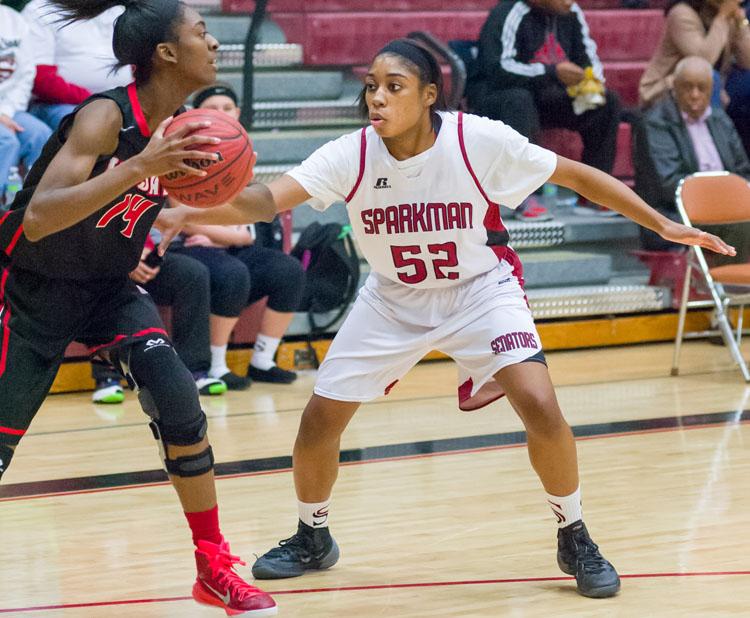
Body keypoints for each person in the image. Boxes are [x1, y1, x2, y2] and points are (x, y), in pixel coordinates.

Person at [158, 38, 734, 600]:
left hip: (479, 291)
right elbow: (264, 200)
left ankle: (574, 533)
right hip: (392, 299)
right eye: (371, 87)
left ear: (429, 94)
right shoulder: (351, 153)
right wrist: (192, 203)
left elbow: (576, 176)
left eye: (394, 87)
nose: (377, 98)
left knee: (539, 404)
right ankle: (314, 536)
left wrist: (662, 224)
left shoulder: (477, 140)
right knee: (317, 422)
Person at [0, 0, 276, 614]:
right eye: (201, 32)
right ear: (167, 54)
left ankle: (213, 567)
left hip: (109, 288)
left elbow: (232, 203)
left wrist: (326, 182)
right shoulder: (105, 117)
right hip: (32, 290)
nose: (214, 42)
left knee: (178, 399)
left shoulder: (185, 129)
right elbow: (40, 219)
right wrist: (141, 169)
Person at [171, 83, 304, 387]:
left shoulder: (239, 150)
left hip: (226, 242)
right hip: (188, 247)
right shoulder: (179, 148)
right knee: (232, 272)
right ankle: (217, 365)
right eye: (213, 109)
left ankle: (262, 360)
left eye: (227, 108)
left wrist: (229, 237)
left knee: (288, 269)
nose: (221, 114)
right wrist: (232, 236)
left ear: (238, 113)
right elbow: (181, 219)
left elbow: (247, 221)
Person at [468, 0, 622, 218]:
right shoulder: (510, 12)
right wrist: (551, 72)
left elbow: (589, 61)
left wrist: (590, 81)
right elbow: (498, 69)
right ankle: (524, 195)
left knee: (606, 102)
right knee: (520, 100)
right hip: (497, 97)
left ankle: (594, 194)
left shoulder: (571, 11)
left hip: (545, 95)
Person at [91, 229, 233, 404]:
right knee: (106, 277)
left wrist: (155, 252)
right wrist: (125, 258)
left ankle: (194, 371)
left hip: (145, 252)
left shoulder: (152, 201)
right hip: (106, 255)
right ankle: (107, 376)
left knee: (193, 273)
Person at [634, 55, 750, 261]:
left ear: (712, 89)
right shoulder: (654, 123)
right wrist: (725, 199)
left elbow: (743, 172)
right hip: (675, 216)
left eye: (702, 88)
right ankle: (729, 284)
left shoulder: (720, 119)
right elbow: (669, 185)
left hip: (726, 210)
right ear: (675, 88)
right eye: (687, 87)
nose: (695, 95)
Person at [22, 0, 132, 130]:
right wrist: (97, 101)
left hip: (121, 100)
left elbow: (138, 62)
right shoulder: (40, 10)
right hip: (59, 104)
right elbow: (41, 79)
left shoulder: (116, 9)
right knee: (90, 124)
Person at [639, 0, 750, 109]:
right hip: (666, 91)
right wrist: (722, 17)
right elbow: (702, 62)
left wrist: (741, 22)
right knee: (709, 78)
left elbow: (748, 62)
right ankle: (714, 126)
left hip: (714, 86)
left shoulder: (725, 14)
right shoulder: (681, 14)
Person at [0, 2, 52, 202]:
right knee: (6, 141)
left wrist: (5, 110)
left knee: (40, 135)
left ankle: (32, 206)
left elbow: (26, 73)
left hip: (10, 107)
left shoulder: (14, 20)